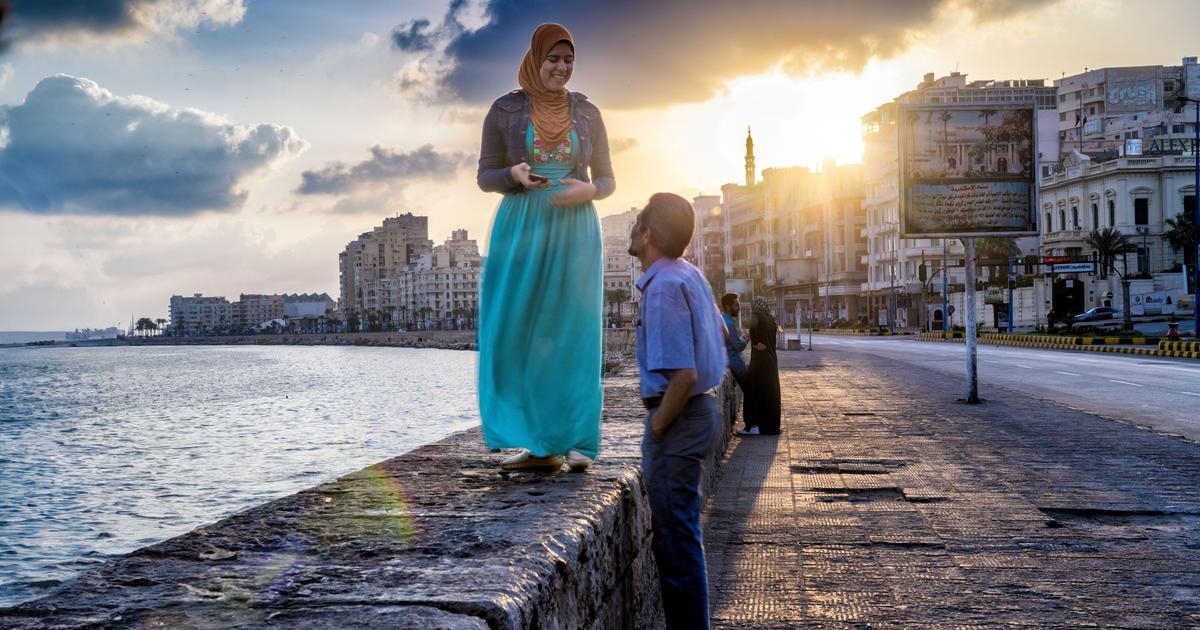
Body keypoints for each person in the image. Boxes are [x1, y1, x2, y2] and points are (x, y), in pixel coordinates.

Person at [476, 23, 615, 472]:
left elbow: (608, 180)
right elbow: (485, 177)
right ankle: (539, 444)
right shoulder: (503, 110)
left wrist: (589, 191)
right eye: (553, 59)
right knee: (516, 332)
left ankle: (577, 442)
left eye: (568, 60)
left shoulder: (588, 113)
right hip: (521, 225)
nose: (561, 68)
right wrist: (513, 176)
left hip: (575, 224)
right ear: (536, 60)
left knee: (573, 332)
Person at [629, 192, 725, 630]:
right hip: (699, 413)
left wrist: (658, 427)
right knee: (683, 537)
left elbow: (683, 376)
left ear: (648, 234)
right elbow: (720, 333)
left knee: (676, 543)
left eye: (638, 223)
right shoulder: (689, 274)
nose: (633, 230)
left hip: (679, 419)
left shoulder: (663, 287)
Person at [720, 292, 756, 435]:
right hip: (735, 361)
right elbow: (738, 346)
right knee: (750, 390)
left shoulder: (724, 319)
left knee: (750, 389)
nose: (739, 308)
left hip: (730, 360)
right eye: (736, 305)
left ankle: (752, 424)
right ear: (728, 306)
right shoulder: (728, 323)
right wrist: (746, 337)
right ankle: (752, 425)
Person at [745, 296, 781, 435]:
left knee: (755, 391)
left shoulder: (757, 315)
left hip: (759, 361)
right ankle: (772, 426)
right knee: (771, 393)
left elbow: (753, 327)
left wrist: (755, 342)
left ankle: (754, 426)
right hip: (771, 361)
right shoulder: (771, 319)